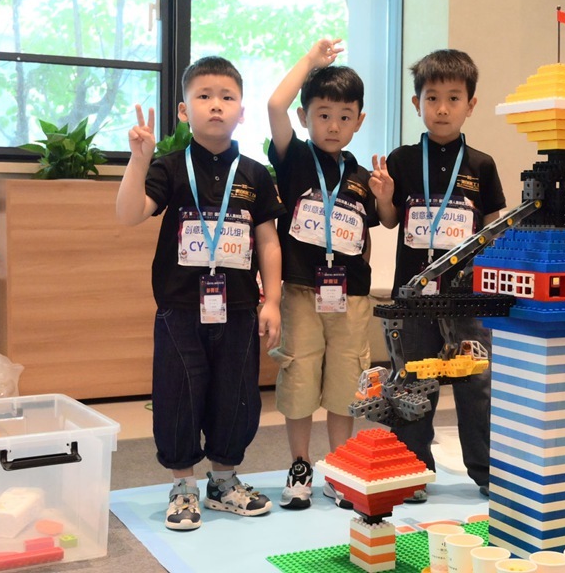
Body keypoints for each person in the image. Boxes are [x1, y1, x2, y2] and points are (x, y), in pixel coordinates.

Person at [116, 56, 284, 530]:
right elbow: (128, 214)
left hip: (240, 307)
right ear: (184, 110)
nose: (216, 105)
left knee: (237, 395)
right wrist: (139, 159)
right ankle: (183, 486)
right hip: (180, 307)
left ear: (241, 112)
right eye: (204, 96)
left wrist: (272, 301)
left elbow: (268, 242)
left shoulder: (255, 173)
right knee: (179, 394)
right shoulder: (170, 168)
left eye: (227, 97)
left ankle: (224, 482)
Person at [372, 49, 506, 502]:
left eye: (453, 98)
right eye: (432, 98)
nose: (442, 108)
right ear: (417, 104)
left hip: (467, 298)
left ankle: (486, 470)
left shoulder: (482, 165)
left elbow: (492, 227)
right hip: (413, 297)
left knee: (476, 382)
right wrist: (385, 196)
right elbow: (390, 220)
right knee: (413, 380)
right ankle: (412, 469)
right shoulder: (403, 160)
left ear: (471, 104)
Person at [266, 38, 379, 510]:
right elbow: (275, 103)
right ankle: (300, 464)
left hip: (351, 297)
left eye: (345, 116)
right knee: (299, 375)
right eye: (323, 114)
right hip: (300, 290)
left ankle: (339, 465)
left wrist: (385, 194)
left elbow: (377, 227)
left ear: (359, 121)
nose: (334, 125)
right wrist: (311, 61)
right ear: (304, 116)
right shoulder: (293, 158)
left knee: (344, 382)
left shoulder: (362, 176)